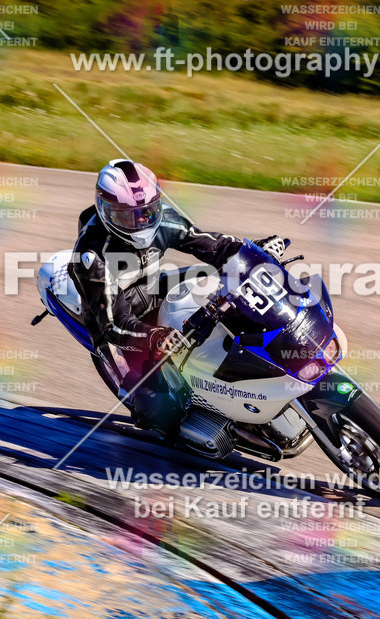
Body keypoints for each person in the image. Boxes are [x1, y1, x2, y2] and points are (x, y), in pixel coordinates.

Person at [70, 159, 273, 437]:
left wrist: (252, 252)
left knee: (219, 284)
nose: (141, 222)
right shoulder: (92, 255)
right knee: (161, 412)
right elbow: (113, 324)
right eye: (127, 216)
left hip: (154, 287)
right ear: (106, 211)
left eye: (147, 212)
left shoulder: (164, 219)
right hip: (116, 321)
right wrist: (153, 336)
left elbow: (211, 244)